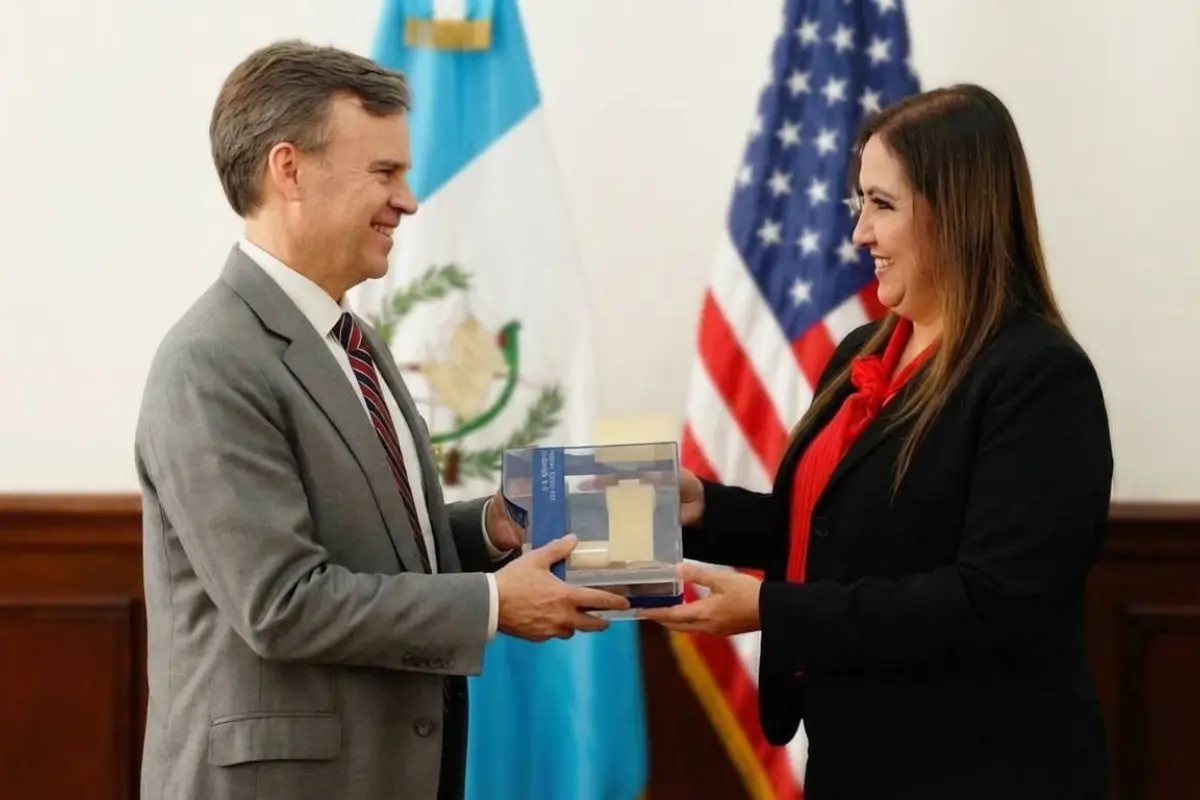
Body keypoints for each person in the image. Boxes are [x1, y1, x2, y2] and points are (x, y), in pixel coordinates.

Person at [134, 40, 628, 800]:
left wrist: (488, 529)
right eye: (385, 173)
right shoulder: (211, 361)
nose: (409, 200)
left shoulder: (354, 342)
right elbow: (281, 604)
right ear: (289, 169)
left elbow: (377, 550)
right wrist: (495, 603)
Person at [642, 83, 1113, 800]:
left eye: (882, 205)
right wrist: (703, 506)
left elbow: (992, 598)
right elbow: (831, 530)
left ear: (957, 213)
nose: (859, 233)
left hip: (982, 766)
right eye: (858, 203)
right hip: (856, 755)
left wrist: (771, 610)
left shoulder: (1038, 375)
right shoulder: (866, 349)